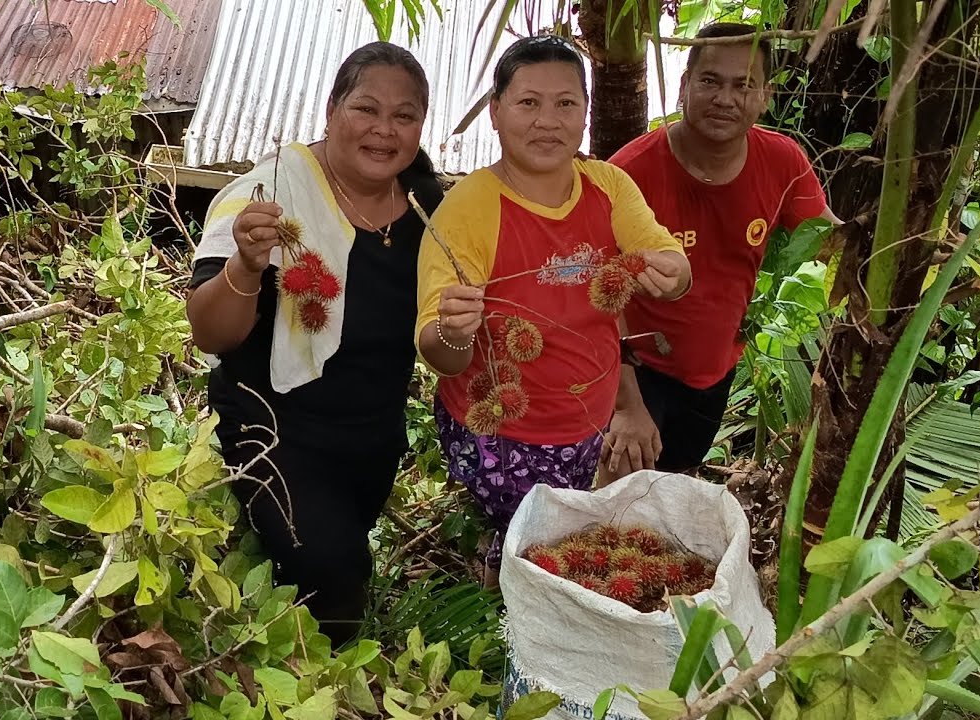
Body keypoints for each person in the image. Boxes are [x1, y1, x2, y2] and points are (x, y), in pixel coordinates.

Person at [185, 42, 443, 644]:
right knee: (335, 584)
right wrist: (246, 266)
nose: (384, 130)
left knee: (318, 566)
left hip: (372, 434)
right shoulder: (269, 195)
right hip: (275, 429)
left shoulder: (428, 207)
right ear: (332, 109)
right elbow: (209, 332)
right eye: (366, 109)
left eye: (404, 116)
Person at [414, 35, 692, 581]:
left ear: (586, 114)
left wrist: (673, 273)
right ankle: (505, 572)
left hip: (588, 420)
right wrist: (454, 333)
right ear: (495, 113)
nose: (548, 120)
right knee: (537, 553)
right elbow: (439, 355)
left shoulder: (607, 186)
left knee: (582, 542)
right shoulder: (468, 210)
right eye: (528, 103)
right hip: (501, 432)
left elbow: (667, 258)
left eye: (566, 103)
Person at [599, 22, 840, 480]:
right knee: (613, 498)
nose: (725, 98)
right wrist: (626, 405)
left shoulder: (783, 162)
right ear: (685, 85)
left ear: (765, 96)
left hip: (714, 372)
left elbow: (831, 244)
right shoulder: (629, 173)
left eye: (743, 85)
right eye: (710, 81)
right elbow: (593, 295)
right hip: (633, 370)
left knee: (671, 493)